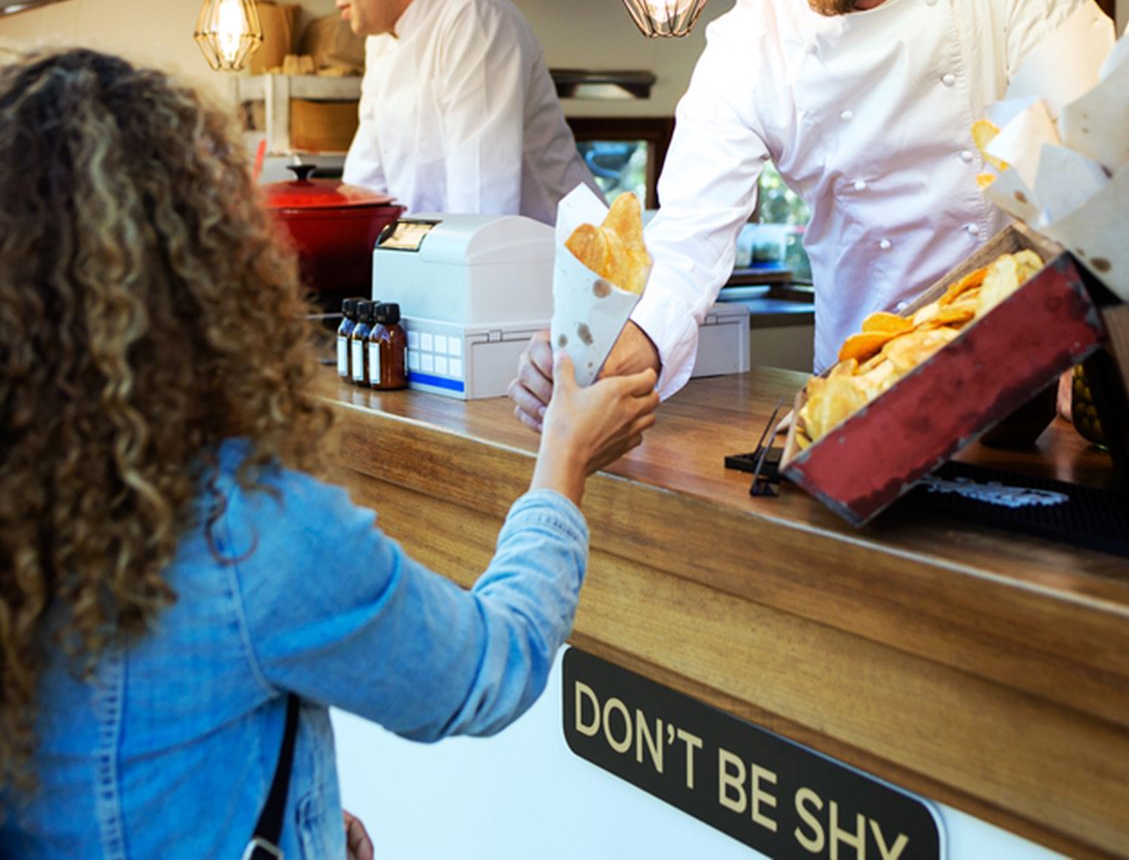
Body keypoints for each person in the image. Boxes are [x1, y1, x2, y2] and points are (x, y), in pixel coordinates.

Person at [0, 48, 658, 858]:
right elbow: (488, 669)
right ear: (203, 265)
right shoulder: (250, 534)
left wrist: (296, 817)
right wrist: (563, 461)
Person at [509, 0, 1088, 424]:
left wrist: (1085, 341)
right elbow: (686, 239)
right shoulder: (753, 37)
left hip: (1039, 377)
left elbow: (1079, 147)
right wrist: (626, 344)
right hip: (863, 393)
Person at [311, 0, 601, 222]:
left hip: (557, 254)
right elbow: (365, 184)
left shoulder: (474, 17)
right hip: (452, 254)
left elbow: (480, 203)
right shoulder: (381, 40)